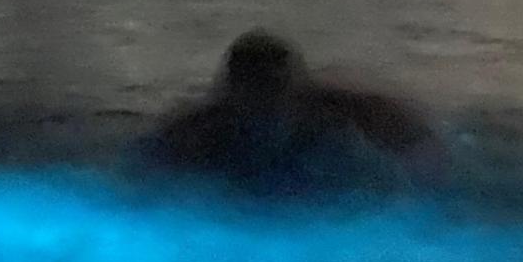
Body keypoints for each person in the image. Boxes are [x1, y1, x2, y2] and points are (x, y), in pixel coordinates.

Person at [144, 30, 446, 192]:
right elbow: (140, 168)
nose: (264, 99)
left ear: (297, 88)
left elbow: (422, 142)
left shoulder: (348, 112)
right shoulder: (197, 132)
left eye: (272, 85)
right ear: (233, 90)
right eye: (254, 86)